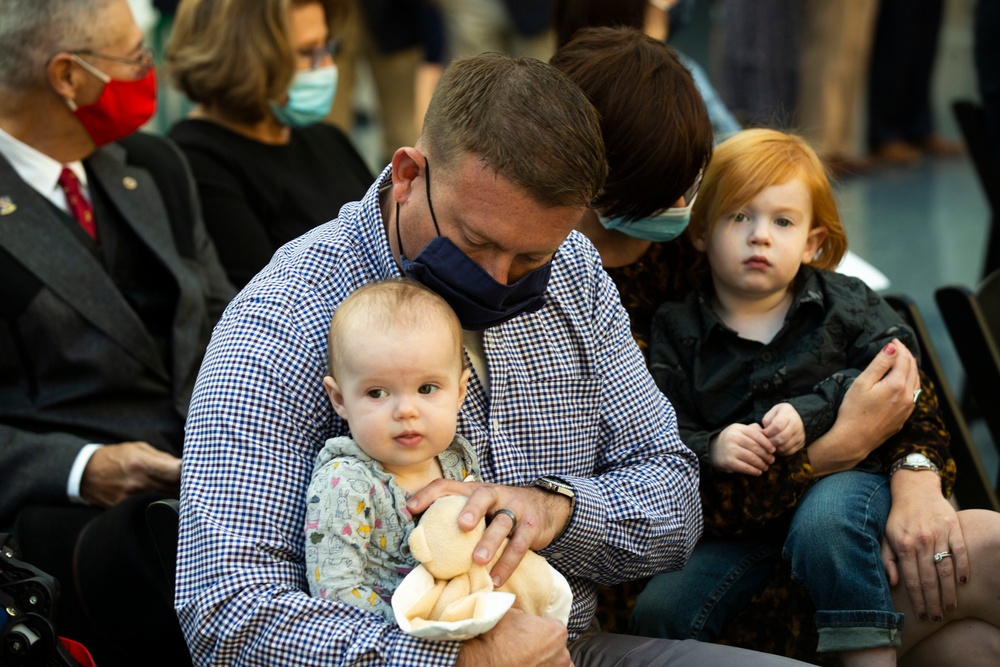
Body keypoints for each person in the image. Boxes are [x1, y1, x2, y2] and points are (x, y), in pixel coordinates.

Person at [177, 50, 812, 665]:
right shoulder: (284, 322)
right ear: (407, 176)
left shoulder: (573, 273)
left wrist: (554, 509)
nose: (499, 279)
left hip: (561, 647)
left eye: (529, 257)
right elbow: (224, 612)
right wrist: (454, 660)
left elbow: (674, 499)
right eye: (475, 242)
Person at [550, 29, 1000, 664]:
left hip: (818, 528)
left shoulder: (692, 251)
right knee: (980, 565)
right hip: (684, 579)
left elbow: (899, 390)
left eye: (689, 189)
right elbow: (666, 499)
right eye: (675, 196)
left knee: (972, 644)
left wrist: (917, 478)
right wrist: (830, 449)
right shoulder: (632, 304)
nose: (681, 209)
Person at [633, 129, 1000, 665]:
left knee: (825, 523)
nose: (760, 236)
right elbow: (660, 429)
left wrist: (810, 414)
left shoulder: (844, 303)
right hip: (743, 528)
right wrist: (712, 445)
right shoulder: (674, 327)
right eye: (740, 217)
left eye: (782, 221)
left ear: (812, 242)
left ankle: (868, 654)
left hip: (849, 485)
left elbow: (900, 372)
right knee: (662, 606)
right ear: (701, 232)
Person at [0, 1, 235, 665]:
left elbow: (230, 319)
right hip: (74, 517)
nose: (150, 71)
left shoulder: (154, 166)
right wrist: (85, 467)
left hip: (211, 468)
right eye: (133, 57)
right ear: (68, 77)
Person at [165, 0, 373, 288]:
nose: (326, 67)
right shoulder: (195, 163)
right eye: (307, 53)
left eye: (328, 47)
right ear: (241, 58)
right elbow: (268, 304)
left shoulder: (326, 138)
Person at [305, 278, 478, 620]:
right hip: (401, 640)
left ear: (459, 392)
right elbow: (335, 594)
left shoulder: (456, 460)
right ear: (340, 399)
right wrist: (420, 629)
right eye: (377, 393)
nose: (406, 410)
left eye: (427, 388)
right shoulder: (345, 484)